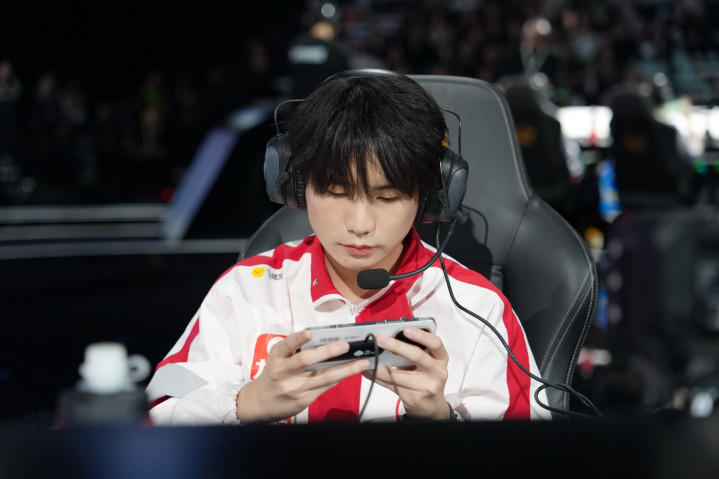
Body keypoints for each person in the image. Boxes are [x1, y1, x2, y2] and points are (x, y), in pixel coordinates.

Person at [146, 70, 551, 424]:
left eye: (387, 197)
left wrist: (441, 420)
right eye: (336, 192)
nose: (359, 225)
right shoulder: (246, 292)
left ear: (429, 196)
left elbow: (536, 458)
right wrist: (246, 403)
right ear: (297, 186)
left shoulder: (477, 310)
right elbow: (157, 417)